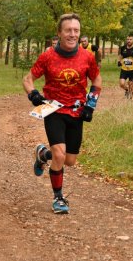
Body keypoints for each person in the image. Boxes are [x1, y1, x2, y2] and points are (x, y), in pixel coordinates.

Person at [23, 13, 102, 214]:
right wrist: (33, 94)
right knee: (59, 154)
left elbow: (97, 81)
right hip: (53, 108)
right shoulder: (48, 56)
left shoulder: (87, 57)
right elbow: (27, 79)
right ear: (59, 33)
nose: (72, 34)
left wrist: (90, 104)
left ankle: (43, 154)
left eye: (76, 30)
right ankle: (58, 198)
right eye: (68, 30)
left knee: (69, 160)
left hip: (77, 111)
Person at [117, 34, 133, 99]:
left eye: (130, 39)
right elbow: (121, 56)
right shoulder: (123, 48)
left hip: (132, 70)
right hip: (124, 69)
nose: (129, 41)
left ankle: (130, 99)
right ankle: (127, 90)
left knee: (131, 86)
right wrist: (119, 61)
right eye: (127, 39)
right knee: (121, 84)